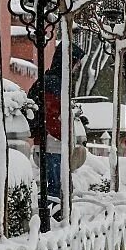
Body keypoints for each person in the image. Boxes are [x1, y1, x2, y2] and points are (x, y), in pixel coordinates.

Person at [28, 42, 85, 200]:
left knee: (55, 185)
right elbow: (52, 115)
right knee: (56, 186)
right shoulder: (55, 82)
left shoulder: (52, 80)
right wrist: (64, 135)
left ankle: (53, 214)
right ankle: (53, 217)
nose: (76, 67)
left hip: (50, 141)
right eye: (75, 63)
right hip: (53, 143)